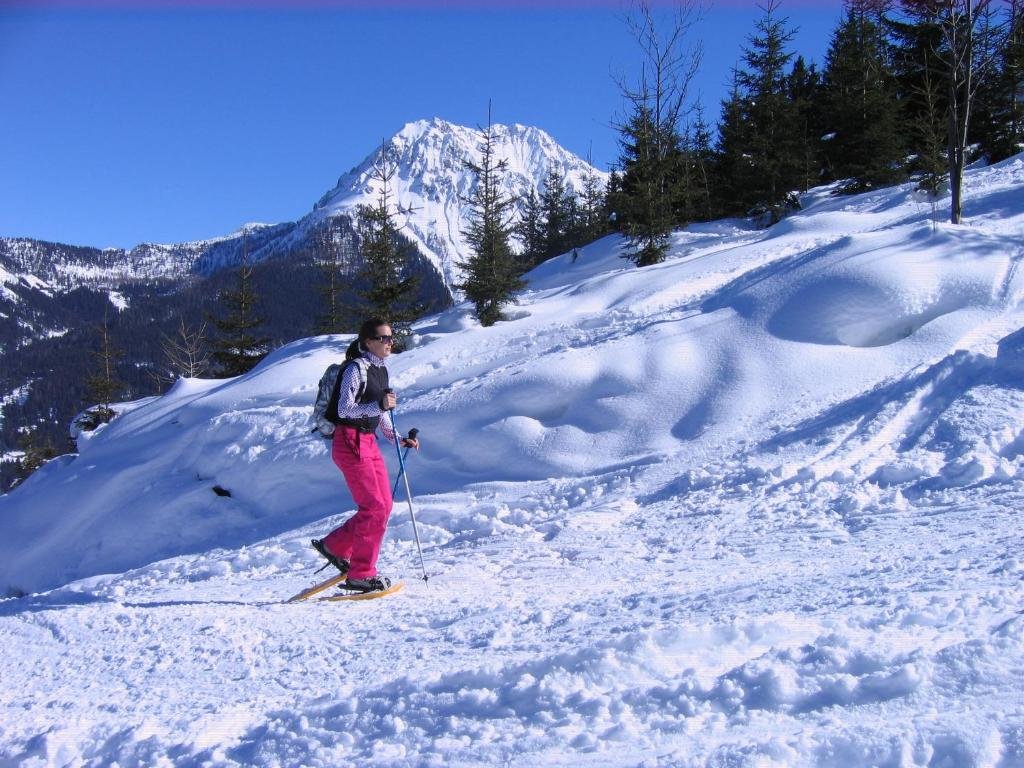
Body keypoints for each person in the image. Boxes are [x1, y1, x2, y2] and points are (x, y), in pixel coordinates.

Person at [311, 318, 419, 593]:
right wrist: (378, 404)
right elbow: (344, 410)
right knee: (373, 508)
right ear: (368, 341)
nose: (389, 343)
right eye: (383, 338)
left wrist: (398, 439)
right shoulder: (354, 369)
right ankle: (360, 574)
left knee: (383, 506)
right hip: (348, 442)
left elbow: (380, 414)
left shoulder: (380, 371)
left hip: (368, 442)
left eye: (390, 338)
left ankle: (334, 546)